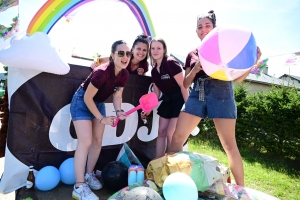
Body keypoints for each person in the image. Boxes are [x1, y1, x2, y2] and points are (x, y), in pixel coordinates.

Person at [168, 10, 262, 186]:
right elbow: (186, 84)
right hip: (198, 92)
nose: (203, 29)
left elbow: (238, 79)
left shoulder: (227, 49)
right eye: (200, 27)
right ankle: (169, 179)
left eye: (207, 25)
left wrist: (252, 63)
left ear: (215, 29)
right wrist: (195, 69)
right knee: (177, 138)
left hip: (222, 93)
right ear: (196, 31)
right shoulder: (192, 54)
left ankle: (241, 191)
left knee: (229, 146)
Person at [70, 40, 131, 200]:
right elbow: (88, 98)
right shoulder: (102, 72)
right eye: (121, 53)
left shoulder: (124, 74)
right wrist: (102, 118)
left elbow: (117, 95)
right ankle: (79, 186)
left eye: (128, 54)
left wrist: (119, 111)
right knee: (86, 142)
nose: (125, 57)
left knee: (97, 141)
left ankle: (89, 175)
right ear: (112, 55)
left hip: (98, 103)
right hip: (82, 102)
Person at [141, 38, 189, 158]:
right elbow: (156, 95)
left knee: (170, 133)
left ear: (164, 50)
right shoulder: (153, 71)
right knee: (161, 132)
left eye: (158, 48)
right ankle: (158, 163)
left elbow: (184, 86)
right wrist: (148, 109)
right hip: (167, 101)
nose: (155, 51)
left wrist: (188, 107)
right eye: (153, 48)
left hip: (179, 100)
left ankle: (172, 164)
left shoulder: (171, 63)